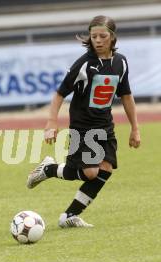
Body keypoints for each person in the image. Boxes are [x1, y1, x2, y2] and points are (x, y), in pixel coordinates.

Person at [26, 15, 141, 228]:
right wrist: (52, 121)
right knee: (90, 172)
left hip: (105, 124)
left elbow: (126, 95)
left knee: (105, 169)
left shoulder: (120, 62)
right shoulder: (84, 64)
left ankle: (69, 216)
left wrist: (135, 128)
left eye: (102, 36)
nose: (97, 40)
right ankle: (49, 169)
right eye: (93, 36)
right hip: (83, 125)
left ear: (112, 37)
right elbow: (60, 93)